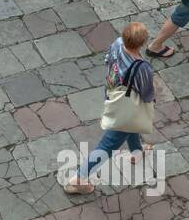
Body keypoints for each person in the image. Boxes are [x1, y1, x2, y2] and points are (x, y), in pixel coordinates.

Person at [62, 22, 157, 195]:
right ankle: (78, 179)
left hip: (114, 94)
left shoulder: (118, 43)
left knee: (131, 124)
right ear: (142, 43)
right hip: (126, 106)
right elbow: (147, 93)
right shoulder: (142, 67)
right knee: (108, 145)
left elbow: (107, 60)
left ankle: (136, 152)